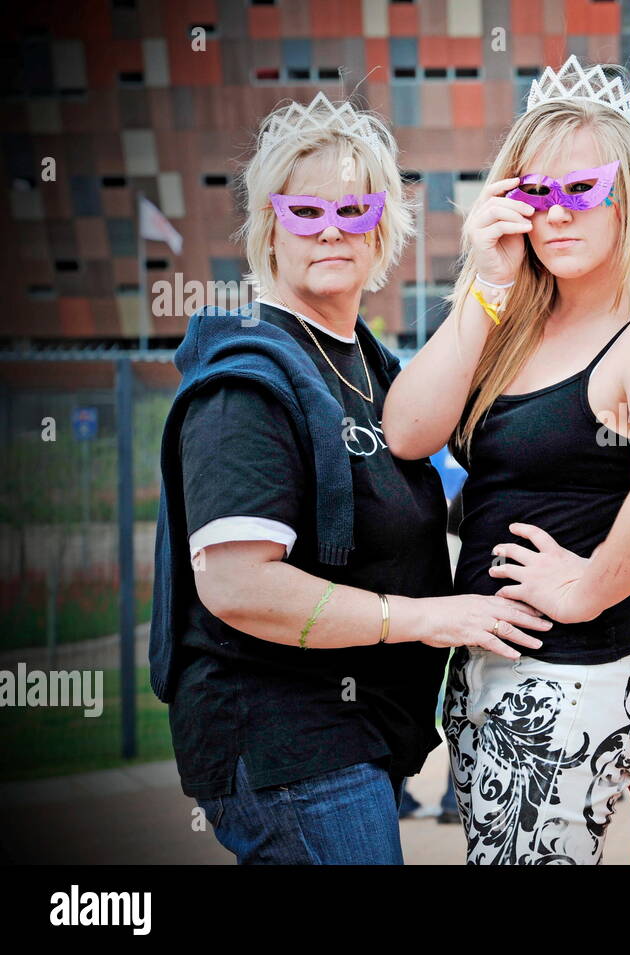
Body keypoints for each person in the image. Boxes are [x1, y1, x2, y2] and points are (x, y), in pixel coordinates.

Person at [149, 91, 549, 865]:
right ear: (271, 225)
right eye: (304, 211)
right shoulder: (248, 378)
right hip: (288, 744)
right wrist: (424, 617)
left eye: (355, 209)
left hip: (349, 738)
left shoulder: (366, 364)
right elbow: (238, 586)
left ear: (382, 228)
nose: (331, 227)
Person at [385, 57, 630, 865]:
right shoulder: (513, 316)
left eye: (581, 190)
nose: (556, 215)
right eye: (536, 192)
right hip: (488, 668)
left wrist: (585, 585)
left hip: (576, 675)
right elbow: (408, 430)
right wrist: (485, 284)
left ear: (626, 193)